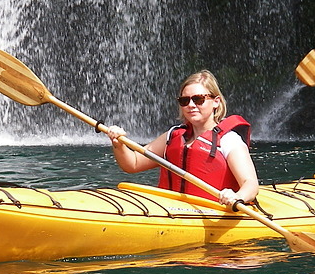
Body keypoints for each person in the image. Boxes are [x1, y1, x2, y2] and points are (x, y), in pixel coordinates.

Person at [105, 70, 259, 209]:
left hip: (213, 212)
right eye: (184, 101)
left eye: (198, 99)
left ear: (216, 102)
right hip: (170, 211)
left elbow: (250, 184)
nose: (191, 105)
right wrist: (119, 143)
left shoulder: (229, 140)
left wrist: (237, 197)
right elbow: (133, 164)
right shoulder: (172, 136)